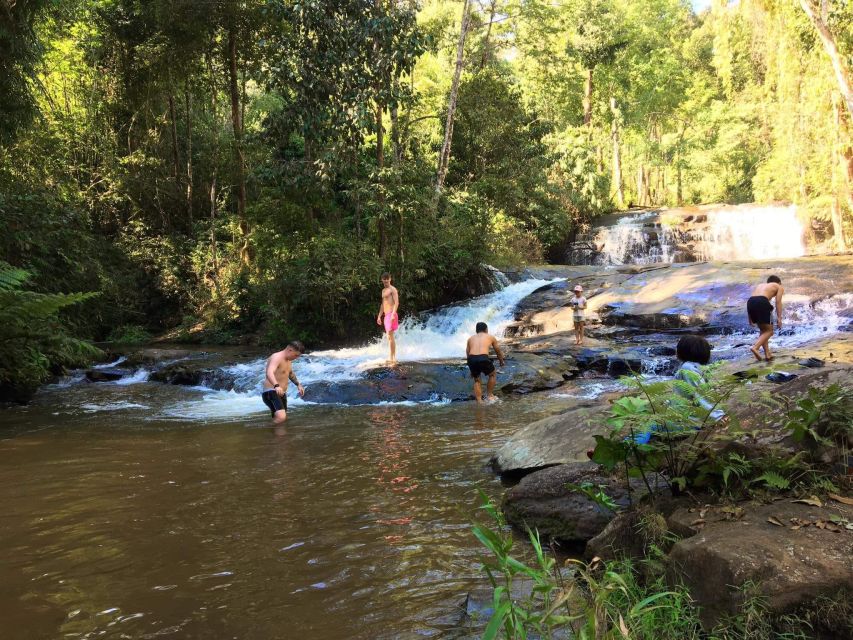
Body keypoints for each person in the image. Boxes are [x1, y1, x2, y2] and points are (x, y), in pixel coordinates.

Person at [674, 335, 726, 423]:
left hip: (687, 421)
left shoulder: (687, 368)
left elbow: (700, 395)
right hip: (690, 417)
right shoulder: (700, 368)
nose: (675, 350)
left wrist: (718, 417)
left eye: (677, 348)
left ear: (684, 351)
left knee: (648, 426)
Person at [261, 341, 306, 428]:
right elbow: (269, 372)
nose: (296, 358)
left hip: (280, 393)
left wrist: (298, 385)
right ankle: (259, 427)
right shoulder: (277, 357)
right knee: (281, 417)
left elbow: (290, 373)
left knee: (281, 420)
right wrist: (276, 386)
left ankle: (278, 439)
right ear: (290, 350)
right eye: (296, 355)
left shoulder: (288, 360)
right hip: (271, 391)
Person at [466, 322, 506, 404]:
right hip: (483, 358)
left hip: (472, 359)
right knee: (492, 374)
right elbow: (498, 351)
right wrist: (501, 361)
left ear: (476, 330)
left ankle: (479, 401)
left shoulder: (470, 339)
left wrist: (471, 368)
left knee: (477, 380)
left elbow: (468, 353)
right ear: (486, 329)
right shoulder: (490, 337)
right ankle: (490, 395)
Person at [747, 275, 784, 362]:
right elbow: (778, 302)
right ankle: (755, 347)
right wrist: (779, 318)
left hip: (750, 302)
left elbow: (752, 299)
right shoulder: (779, 286)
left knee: (763, 331)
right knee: (769, 331)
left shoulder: (760, 286)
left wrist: (749, 318)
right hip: (762, 302)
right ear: (779, 283)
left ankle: (767, 354)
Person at [377, 272, 399, 364]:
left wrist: (393, 314)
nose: (386, 280)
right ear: (382, 280)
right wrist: (379, 316)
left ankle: (393, 358)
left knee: (390, 336)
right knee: (388, 337)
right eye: (384, 278)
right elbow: (383, 304)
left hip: (391, 314)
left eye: (387, 278)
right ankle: (391, 357)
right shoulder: (383, 291)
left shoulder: (393, 289)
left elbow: (397, 302)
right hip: (386, 315)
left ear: (390, 279)